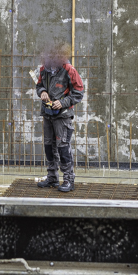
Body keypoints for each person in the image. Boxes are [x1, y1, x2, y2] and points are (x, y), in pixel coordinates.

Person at [35, 43, 84, 192]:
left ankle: (69, 179)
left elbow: (78, 92)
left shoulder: (69, 70)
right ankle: (52, 177)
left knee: (63, 147)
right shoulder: (44, 69)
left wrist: (62, 103)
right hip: (48, 114)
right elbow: (39, 85)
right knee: (49, 146)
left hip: (62, 116)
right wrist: (42, 91)